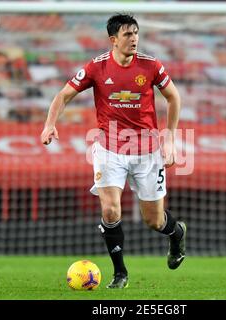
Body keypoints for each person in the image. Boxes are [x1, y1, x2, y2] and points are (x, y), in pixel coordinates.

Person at [40, 13, 186, 289]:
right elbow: (63, 95)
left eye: (136, 33)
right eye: (128, 34)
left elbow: (173, 97)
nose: (134, 39)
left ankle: (176, 234)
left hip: (147, 152)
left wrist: (169, 139)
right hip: (109, 149)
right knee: (110, 212)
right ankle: (120, 274)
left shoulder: (151, 65)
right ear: (113, 40)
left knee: (154, 221)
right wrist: (50, 125)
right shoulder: (96, 68)